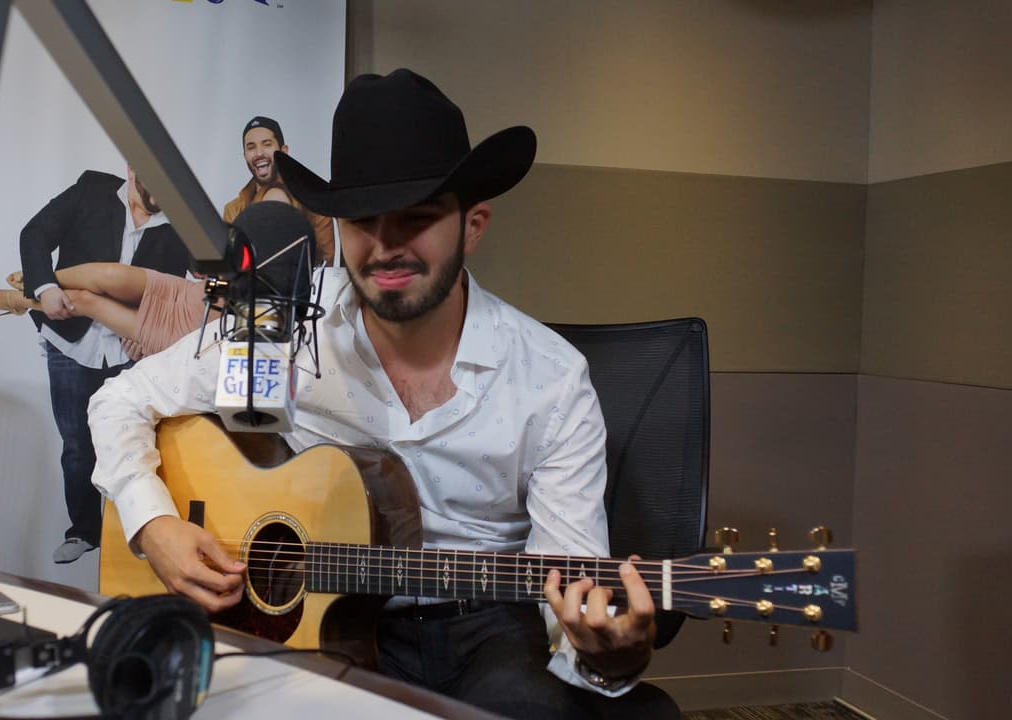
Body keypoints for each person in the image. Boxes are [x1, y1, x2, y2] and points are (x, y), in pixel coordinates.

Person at [87, 70, 678, 718]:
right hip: (314, 620)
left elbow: (573, 596)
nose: (387, 245)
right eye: (365, 219)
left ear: (472, 225)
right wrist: (156, 524)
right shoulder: (284, 325)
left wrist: (603, 653)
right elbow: (120, 400)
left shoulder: (551, 382)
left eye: (418, 217)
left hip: (486, 630)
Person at [16, 167, 193, 564]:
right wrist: (44, 288)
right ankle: (83, 531)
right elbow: (35, 235)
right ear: (133, 169)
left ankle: (132, 533)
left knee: (133, 444)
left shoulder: (182, 224)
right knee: (77, 444)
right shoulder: (90, 191)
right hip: (70, 339)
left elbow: (187, 288)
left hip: (131, 346)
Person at [0, 261, 209, 361]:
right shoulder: (237, 207)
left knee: (86, 301)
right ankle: (41, 282)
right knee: (111, 275)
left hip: (187, 331)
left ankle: (16, 300)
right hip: (193, 293)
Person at [223, 116, 335, 264]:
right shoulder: (233, 210)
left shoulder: (314, 205)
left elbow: (325, 269)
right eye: (251, 147)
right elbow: (230, 269)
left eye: (267, 144)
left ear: (283, 151)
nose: (259, 153)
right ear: (245, 156)